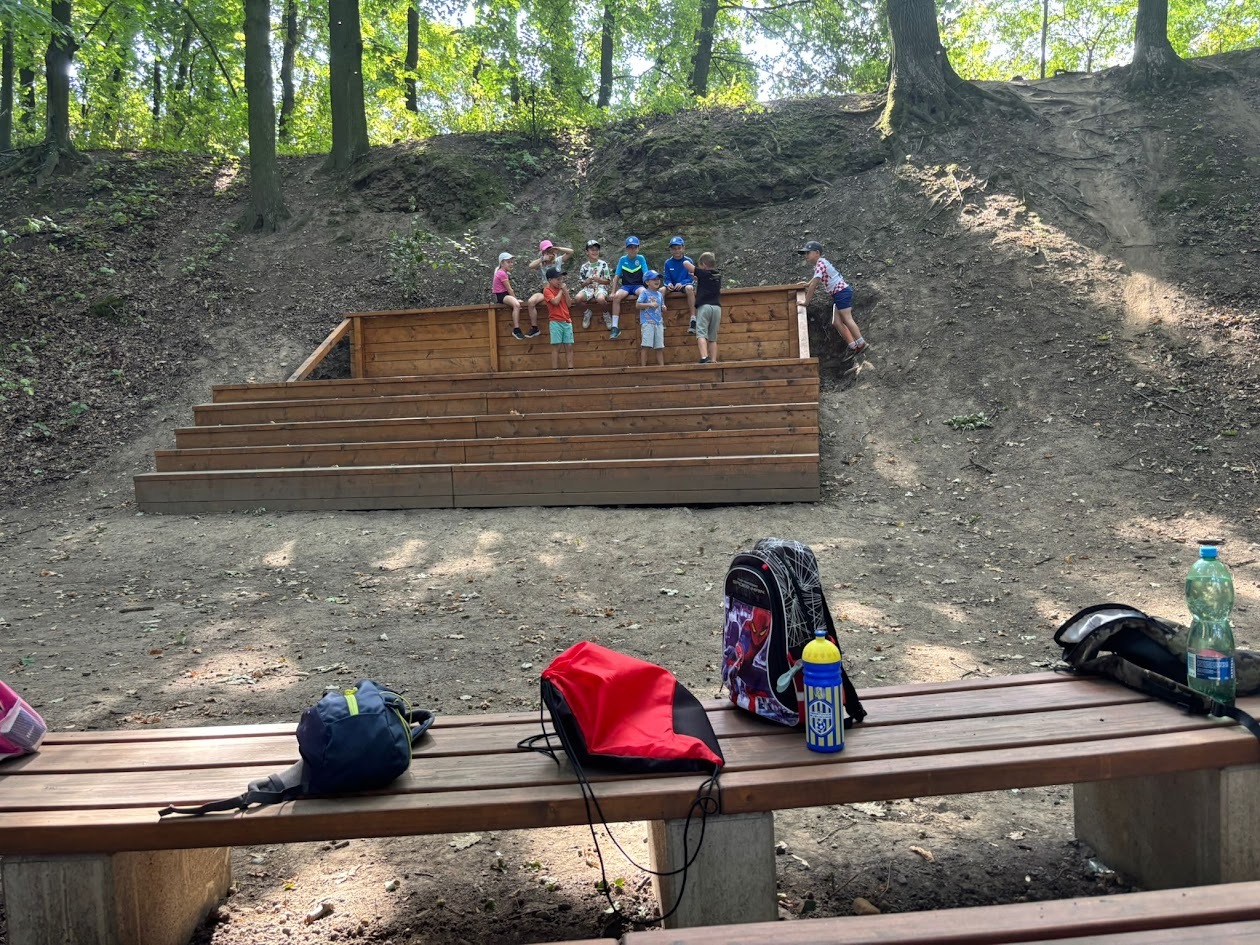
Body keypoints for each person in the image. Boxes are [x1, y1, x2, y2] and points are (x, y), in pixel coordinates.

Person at [798, 239, 866, 353]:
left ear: (817, 253)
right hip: (838, 293)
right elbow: (815, 279)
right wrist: (808, 284)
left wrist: (806, 302)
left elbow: (814, 285)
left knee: (847, 318)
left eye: (808, 253)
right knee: (836, 322)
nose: (806, 256)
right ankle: (853, 346)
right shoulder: (821, 263)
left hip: (841, 292)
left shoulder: (820, 264)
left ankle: (861, 342)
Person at [683, 251, 722, 363]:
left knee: (701, 334)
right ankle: (713, 360)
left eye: (700, 265)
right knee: (713, 337)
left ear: (704, 265)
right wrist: (698, 277)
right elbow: (707, 281)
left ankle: (704, 357)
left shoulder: (702, 273)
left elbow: (686, 263)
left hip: (705, 307)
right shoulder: (717, 275)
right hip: (717, 308)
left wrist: (696, 271)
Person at [608, 235, 649, 340]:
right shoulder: (622, 260)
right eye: (630, 247)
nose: (633, 249)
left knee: (644, 293)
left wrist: (649, 287)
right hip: (626, 286)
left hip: (638, 285)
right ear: (626, 249)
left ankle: (647, 321)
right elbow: (616, 276)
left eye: (635, 247)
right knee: (617, 297)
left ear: (638, 248)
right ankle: (615, 327)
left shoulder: (641, 258)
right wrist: (613, 291)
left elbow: (646, 274)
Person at [527, 239, 574, 328]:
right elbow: (530, 266)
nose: (549, 253)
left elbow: (571, 252)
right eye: (547, 251)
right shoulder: (541, 264)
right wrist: (542, 259)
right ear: (543, 252)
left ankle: (565, 321)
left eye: (550, 250)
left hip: (557, 289)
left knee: (563, 303)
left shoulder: (558, 260)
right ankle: (534, 327)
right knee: (531, 302)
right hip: (546, 290)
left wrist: (558, 248)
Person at [492, 252, 536, 341]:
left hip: (504, 294)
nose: (511, 264)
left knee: (516, 303)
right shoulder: (501, 273)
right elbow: (509, 289)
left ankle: (517, 328)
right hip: (501, 295)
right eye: (508, 262)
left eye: (511, 262)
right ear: (502, 263)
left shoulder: (502, 272)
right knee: (516, 305)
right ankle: (516, 329)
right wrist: (515, 299)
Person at [573, 239, 612, 330]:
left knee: (600, 299)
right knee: (577, 298)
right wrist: (587, 282)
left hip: (601, 288)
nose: (595, 252)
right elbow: (582, 284)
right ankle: (587, 312)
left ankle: (606, 314)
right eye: (592, 250)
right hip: (588, 289)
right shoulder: (584, 267)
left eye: (596, 250)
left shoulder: (603, 264)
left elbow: (608, 281)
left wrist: (599, 280)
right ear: (587, 252)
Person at [662, 236, 697, 333]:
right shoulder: (668, 263)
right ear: (670, 250)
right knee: (661, 290)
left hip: (684, 286)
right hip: (672, 287)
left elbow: (691, 278)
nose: (677, 251)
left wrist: (682, 283)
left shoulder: (688, 261)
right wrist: (668, 283)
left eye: (679, 248)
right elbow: (666, 278)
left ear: (683, 248)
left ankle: (693, 318)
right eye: (674, 248)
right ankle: (660, 319)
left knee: (689, 288)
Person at [542, 267, 574, 370]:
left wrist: (566, 292)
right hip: (555, 321)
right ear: (550, 280)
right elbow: (555, 302)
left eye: (561, 279)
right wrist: (561, 291)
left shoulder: (562, 290)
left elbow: (569, 304)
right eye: (557, 279)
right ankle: (555, 371)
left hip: (566, 320)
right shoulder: (547, 290)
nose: (560, 281)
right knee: (557, 346)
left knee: (569, 346)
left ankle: (571, 369)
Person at [636, 270, 666, 367]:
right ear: (647, 282)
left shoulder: (660, 294)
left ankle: (662, 368)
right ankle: (643, 368)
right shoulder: (644, 293)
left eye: (658, 279)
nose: (657, 281)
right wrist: (650, 304)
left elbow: (662, 305)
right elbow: (637, 305)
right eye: (654, 279)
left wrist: (663, 307)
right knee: (646, 346)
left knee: (659, 347)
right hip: (647, 322)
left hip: (658, 323)